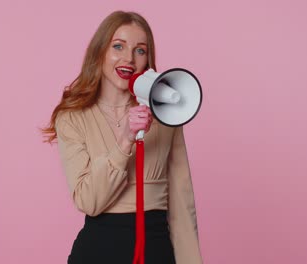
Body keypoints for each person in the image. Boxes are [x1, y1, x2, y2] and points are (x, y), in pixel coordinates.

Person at [43, 11, 203, 264]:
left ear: (148, 59)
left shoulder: (165, 114)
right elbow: (88, 201)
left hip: (156, 249)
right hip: (98, 250)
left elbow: (182, 202)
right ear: (100, 52)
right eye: (118, 46)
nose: (129, 58)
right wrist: (125, 140)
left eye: (140, 50)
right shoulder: (72, 117)